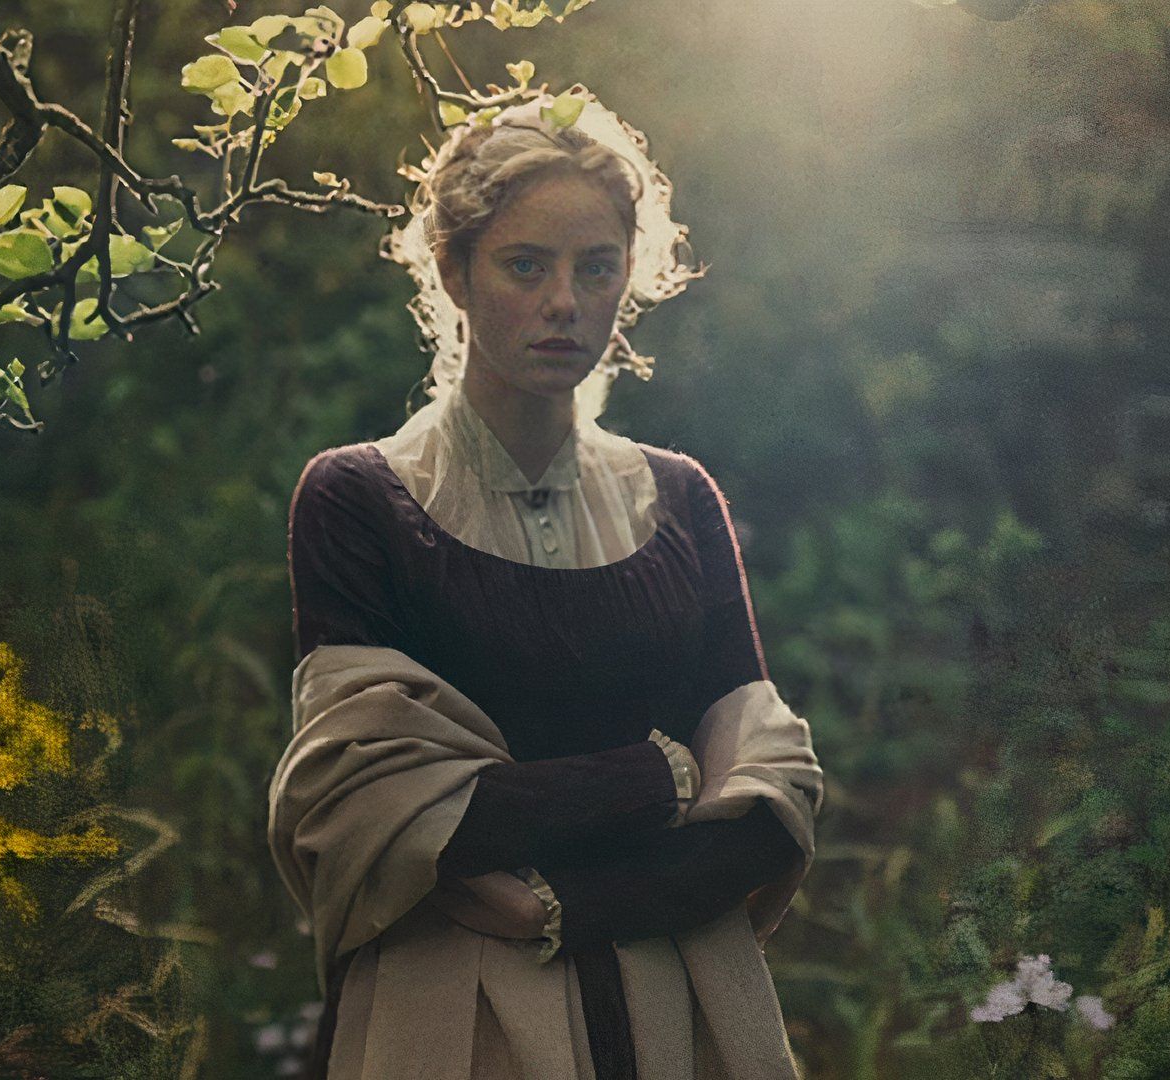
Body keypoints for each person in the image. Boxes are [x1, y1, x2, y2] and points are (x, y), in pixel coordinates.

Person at [268, 91, 825, 1080]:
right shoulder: (360, 501)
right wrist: (664, 777)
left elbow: (767, 807)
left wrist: (565, 901)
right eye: (526, 265)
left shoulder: (679, 498)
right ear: (454, 271)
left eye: (595, 267)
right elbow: (373, 813)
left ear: (628, 280)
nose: (564, 301)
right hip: (452, 1021)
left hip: (678, 1012)